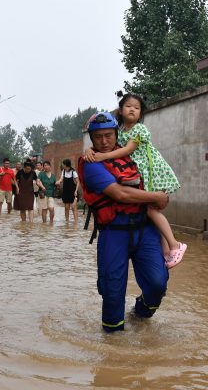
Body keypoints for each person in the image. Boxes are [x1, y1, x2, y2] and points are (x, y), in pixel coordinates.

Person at [78, 111, 170, 332]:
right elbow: (121, 195)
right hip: (113, 232)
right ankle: (113, 347)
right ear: (91, 139)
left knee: (158, 283)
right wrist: (157, 198)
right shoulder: (91, 164)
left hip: (144, 229)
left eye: (108, 135)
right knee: (112, 292)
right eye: (98, 137)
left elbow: (153, 167)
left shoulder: (132, 155)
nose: (104, 141)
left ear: (116, 134)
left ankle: (140, 313)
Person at [84, 94, 186, 269]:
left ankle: (175, 244)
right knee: (148, 212)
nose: (132, 109)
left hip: (149, 172)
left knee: (151, 210)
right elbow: (109, 145)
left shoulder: (140, 129)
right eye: (128, 106)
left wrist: (103, 156)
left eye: (137, 108)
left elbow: (128, 149)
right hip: (135, 174)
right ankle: (165, 252)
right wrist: (89, 149)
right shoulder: (120, 131)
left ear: (140, 113)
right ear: (120, 110)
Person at [56, 159, 80, 223]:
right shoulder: (63, 171)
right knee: (66, 208)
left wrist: (76, 191)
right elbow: (61, 179)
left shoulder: (73, 172)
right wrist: (58, 182)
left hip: (73, 192)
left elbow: (78, 182)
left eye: (63, 164)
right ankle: (67, 222)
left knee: (73, 208)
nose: (62, 165)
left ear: (66, 165)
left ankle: (76, 222)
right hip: (65, 192)